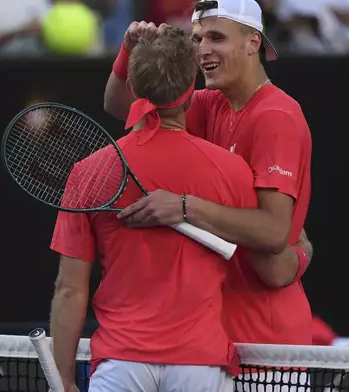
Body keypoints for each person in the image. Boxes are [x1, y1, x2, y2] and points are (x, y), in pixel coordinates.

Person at [50, 27, 261, 392]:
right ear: (191, 92)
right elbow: (263, 257)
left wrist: (63, 380)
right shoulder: (231, 170)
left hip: (120, 366)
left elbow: (69, 290)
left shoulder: (89, 171)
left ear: (133, 89)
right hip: (200, 366)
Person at [104, 0, 314, 349]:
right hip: (215, 336)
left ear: (253, 43)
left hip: (265, 343)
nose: (203, 50)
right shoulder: (211, 102)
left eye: (216, 38)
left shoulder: (277, 116)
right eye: (198, 39)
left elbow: (274, 232)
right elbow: (119, 106)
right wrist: (128, 52)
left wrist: (184, 207)